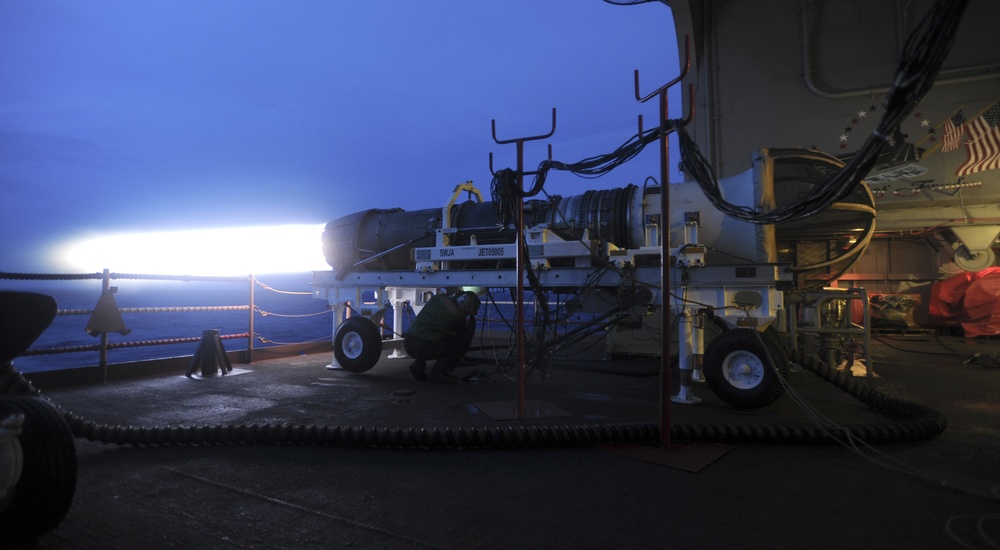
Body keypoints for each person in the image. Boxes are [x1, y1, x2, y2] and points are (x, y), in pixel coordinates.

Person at [403, 290, 480, 384]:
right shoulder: (456, 316)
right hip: (424, 347)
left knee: (433, 333)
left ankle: (418, 365)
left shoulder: (439, 298)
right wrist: (471, 324)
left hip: (409, 342)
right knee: (462, 342)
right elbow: (466, 335)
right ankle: (440, 372)